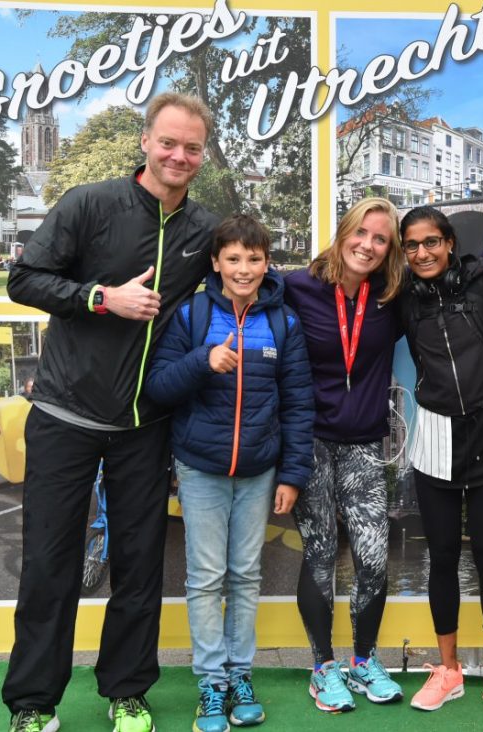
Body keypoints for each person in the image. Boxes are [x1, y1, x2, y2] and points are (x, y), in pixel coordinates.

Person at [3, 92, 217, 732]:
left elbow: (252, 271)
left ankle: (127, 691)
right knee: (49, 566)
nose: (179, 155)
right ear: (146, 141)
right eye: (169, 142)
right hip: (66, 419)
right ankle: (34, 705)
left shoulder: (204, 228)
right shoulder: (89, 203)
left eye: (192, 147)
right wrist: (102, 297)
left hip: (142, 430)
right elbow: (25, 279)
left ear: (202, 155)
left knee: (138, 567)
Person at [282, 198, 483, 713]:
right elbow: (243, 278)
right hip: (313, 442)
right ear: (344, 233)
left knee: (373, 560)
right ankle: (324, 666)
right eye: (362, 234)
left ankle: (365, 660)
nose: (369, 245)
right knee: (323, 555)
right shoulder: (301, 287)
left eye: (382, 239)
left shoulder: (390, 297)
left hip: (371, 440)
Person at [144, 215, 315, 731]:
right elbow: (157, 386)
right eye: (234, 259)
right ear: (216, 262)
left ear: (268, 263)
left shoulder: (283, 321)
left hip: (261, 471)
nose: (244, 269)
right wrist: (203, 360)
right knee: (205, 578)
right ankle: (211, 683)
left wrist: (292, 475)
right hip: (201, 470)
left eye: (254, 259)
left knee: (245, 577)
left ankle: (240, 674)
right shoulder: (192, 314)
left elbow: (299, 404)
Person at [395, 206, 483, 717]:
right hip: (435, 430)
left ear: (449, 243)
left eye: (432, 242)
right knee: (442, 555)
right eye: (413, 246)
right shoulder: (402, 296)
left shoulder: (482, 278)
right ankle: (447, 670)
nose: (423, 253)